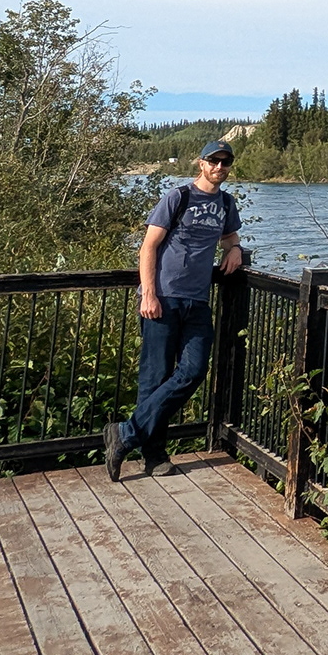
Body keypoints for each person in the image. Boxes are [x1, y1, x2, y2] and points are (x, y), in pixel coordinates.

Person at [104, 140, 244, 480]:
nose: (219, 167)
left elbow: (229, 237)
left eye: (225, 162)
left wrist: (236, 248)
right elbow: (148, 246)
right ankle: (154, 456)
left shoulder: (226, 203)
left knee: (194, 371)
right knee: (155, 378)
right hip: (164, 298)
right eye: (214, 161)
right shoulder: (178, 197)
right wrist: (148, 294)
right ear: (201, 163)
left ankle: (123, 434)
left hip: (197, 301)